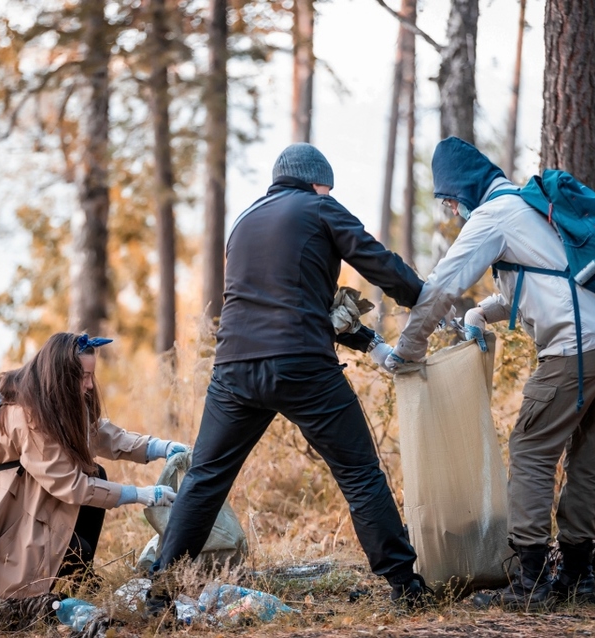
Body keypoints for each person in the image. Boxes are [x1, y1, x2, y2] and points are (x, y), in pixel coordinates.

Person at [146, 143, 430, 610]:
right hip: (300, 364)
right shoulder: (318, 206)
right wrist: (423, 298)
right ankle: (406, 586)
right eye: (328, 186)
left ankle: (160, 593)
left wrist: (367, 343)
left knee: (205, 479)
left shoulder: (243, 224)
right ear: (315, 180)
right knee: (359, 473)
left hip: (234, 368)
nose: (329, 192)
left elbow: (291, 300)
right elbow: (375, 259)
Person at [385, 137, 595, 611]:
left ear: (460, 193)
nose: (450, 212)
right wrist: (480, 314)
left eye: (448, 203)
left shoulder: (493, 215)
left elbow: (443, 284)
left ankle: (530, 581)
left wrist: (408, 348)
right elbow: (542, 277)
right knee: (590, 456)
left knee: (530, 447)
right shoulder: (530, 205)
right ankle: (577, 577)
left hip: (581, 345)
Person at [0, 332, 189, 621]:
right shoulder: (25, 414)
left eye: (90, 376)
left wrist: (159, 447)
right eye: (83, 376)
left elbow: (96, 433)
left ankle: (74, 581)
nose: (88, 385)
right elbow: (70, 485)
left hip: (30, 501)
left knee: (97, 477)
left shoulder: (52, 399)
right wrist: (141, 494)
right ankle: (43, 599)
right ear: (60, 375)